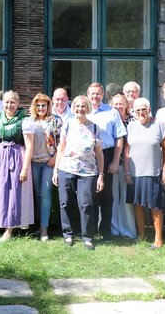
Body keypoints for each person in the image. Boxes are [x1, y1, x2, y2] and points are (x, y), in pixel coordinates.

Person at [52, 95, 105, 250]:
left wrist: (101, 175)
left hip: (88, 172)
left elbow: (99, 154)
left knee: (86, 204)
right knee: (65, 202)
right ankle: (68, 234)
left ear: (87, 108)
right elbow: (60, 149)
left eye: (83, 106)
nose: (80, 109)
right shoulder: (67, 125)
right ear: (73, 108)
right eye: (77, 106)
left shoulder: (95, 128)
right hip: (66, 169)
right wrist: (56, 170)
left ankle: (87, 237)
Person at [124, 98, 165, 248]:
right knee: (138, 204)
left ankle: (158, 239)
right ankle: (141, 236)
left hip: (153, 172)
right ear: (134, 112)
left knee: (155, 206)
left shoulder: (159, 125)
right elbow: (126, 151)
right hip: (135, 172)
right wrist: (127, 172)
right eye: (137, 110)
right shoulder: (131, 126)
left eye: (143, 109)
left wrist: (164, 171)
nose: (141, 113)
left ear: (149, 110)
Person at [0, 91, 34, 242]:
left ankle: (10, 229)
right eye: (6, 102)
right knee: (2, 191)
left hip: (17, 157)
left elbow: (29, 146)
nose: (9, 105)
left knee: (14, 191)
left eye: (12, 102)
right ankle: (2, 222)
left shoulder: (25, 120)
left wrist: (25, 168)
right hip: (1, 158)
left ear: (18, 103)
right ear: (2, 103)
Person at [86, 82, 126, 240]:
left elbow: (119, 138)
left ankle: (105, 231)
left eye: (98, 93)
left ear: (102, 95)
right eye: (92, 93)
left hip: (107, 154)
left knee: (106, 195)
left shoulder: (112, 112)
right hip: (87, 156)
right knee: (89, 194)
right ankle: (91, 229)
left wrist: (116, 161)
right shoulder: (83, 111)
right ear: (88, 94)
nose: (95, 96)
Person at [22, 93, 61, 241]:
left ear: (48, 106)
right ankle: (38, 224)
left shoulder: (56, 121)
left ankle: (45, 228)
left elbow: (63, 142)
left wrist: (55, 158)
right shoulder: (30, 121)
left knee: (45, 192)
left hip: (49, 162)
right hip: (34, 162)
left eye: (43, 105)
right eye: (38, 105)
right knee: (37, 193)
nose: (40, 108)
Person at [109, 93, 137, 239]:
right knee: (113, 197)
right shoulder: (109, 119)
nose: (118, 106)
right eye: (115, 104)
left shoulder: (133, 120)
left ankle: (128, 230)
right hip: (112, 164)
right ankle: (113, 229)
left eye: (121, 103)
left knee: (126, 198)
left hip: (129, 165)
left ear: (126, 105)